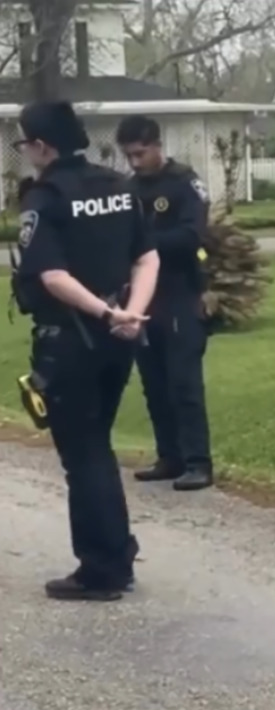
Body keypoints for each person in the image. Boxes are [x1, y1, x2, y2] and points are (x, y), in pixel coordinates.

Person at [14, 100, 159, 600]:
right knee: (98, 442)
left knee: (84, 453)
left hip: (72, 339)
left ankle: (101, 569)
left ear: (42, 145)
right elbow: (147, 257)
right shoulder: (117, 186)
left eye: (24, 143)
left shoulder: (45, 197)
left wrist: (103, 313)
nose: (25, 152)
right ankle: (118, 551)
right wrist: (130, 314)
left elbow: (52, 276)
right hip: (118, 340)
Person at [115, 115, 213, 492]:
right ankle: (169, 456)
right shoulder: (127, 189)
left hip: (179, 292)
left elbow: (193, 234)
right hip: (142, 300)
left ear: (157, 145)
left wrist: (146, 248)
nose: (135, 163)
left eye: (140, 154)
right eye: (129, 156)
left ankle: (198, 461)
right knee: (153, 382)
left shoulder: (184, 183)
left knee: (183, 382)